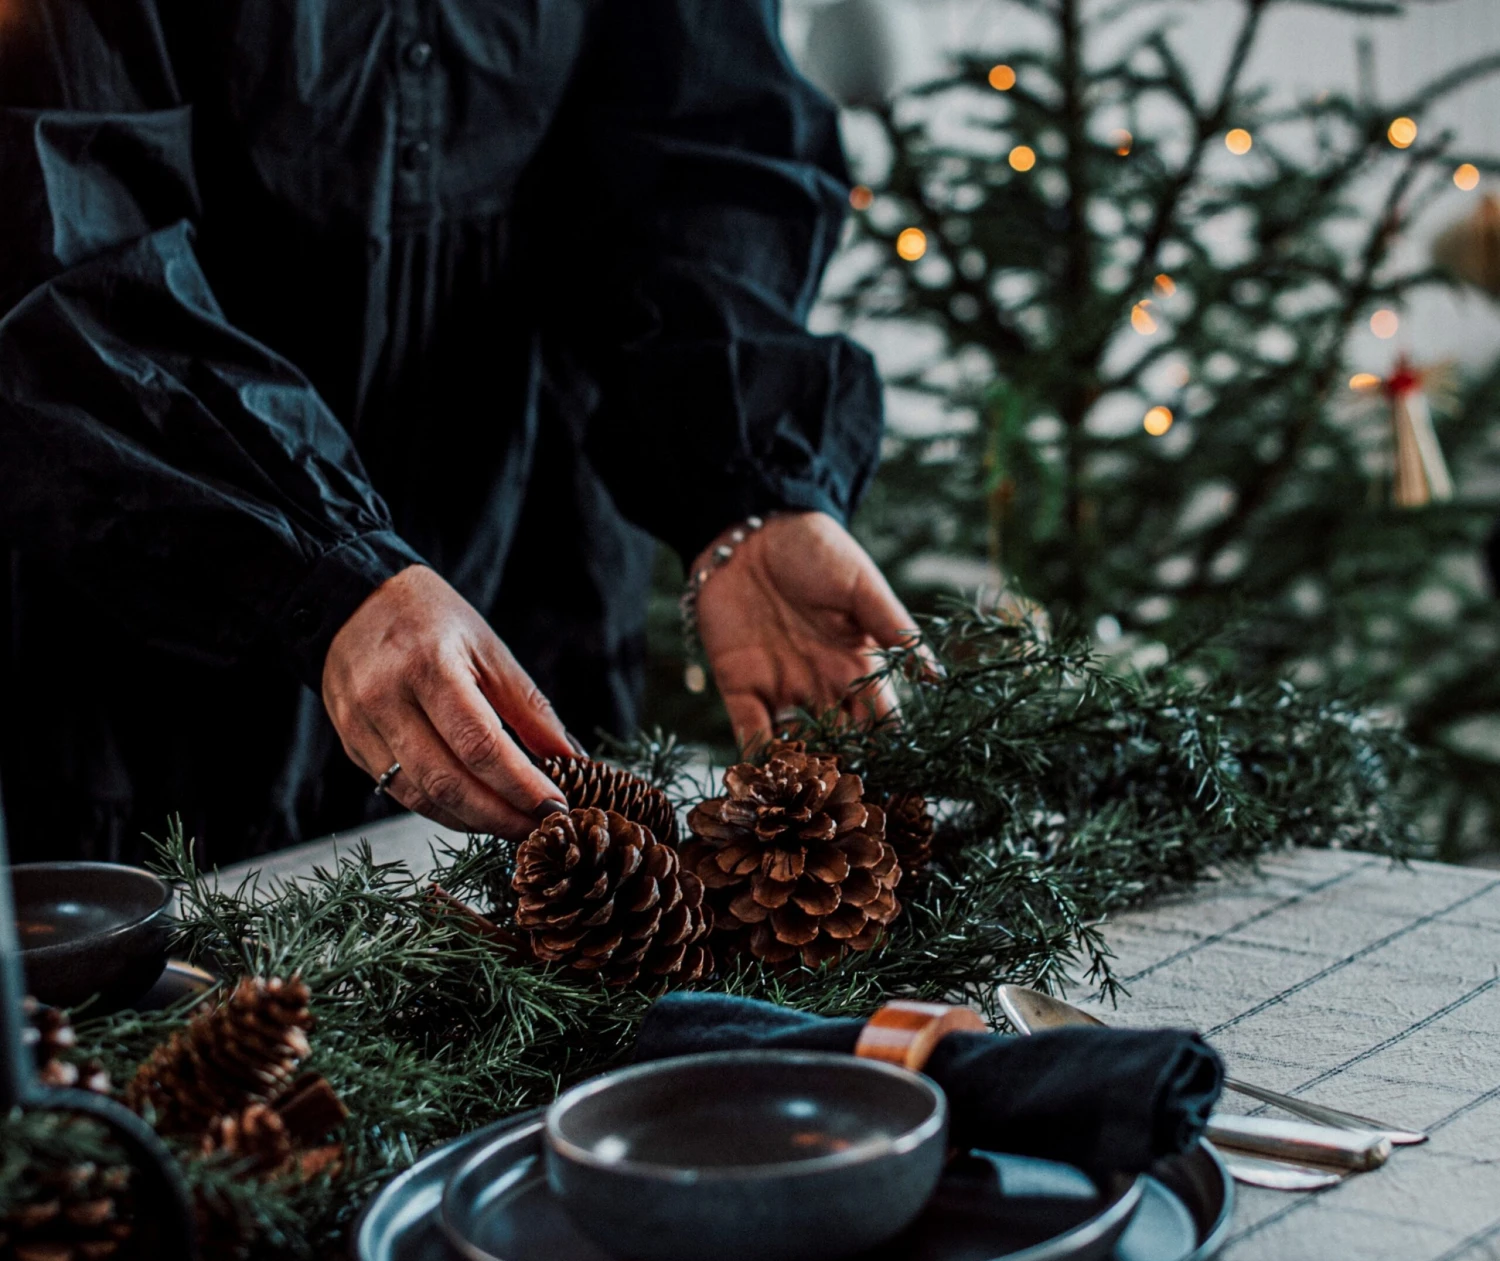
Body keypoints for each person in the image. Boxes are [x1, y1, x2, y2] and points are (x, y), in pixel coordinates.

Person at [0, 0, 917, 865]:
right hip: (149, 658)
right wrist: (324, 561)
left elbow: (707, 146)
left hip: (527, 581)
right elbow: (63, 241)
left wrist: (748, 483)